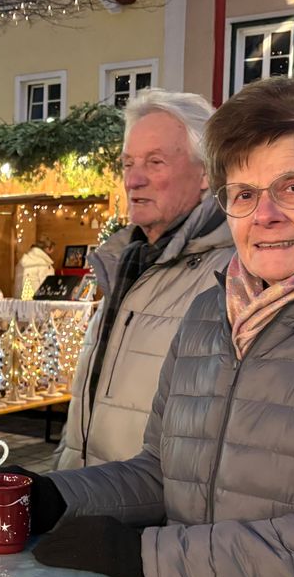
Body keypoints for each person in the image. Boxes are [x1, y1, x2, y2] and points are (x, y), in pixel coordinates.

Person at [23, 76, 294, 577]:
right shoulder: (208, 316)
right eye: (246, 195)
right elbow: (161, 473)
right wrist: (58, 497)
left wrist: (145, 559)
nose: (266, 215)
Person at [52, 89, 234, 470]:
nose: (133, 180)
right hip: (88, 504)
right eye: (128, 163)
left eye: (155, 162)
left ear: (205, 173)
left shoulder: (228, 274)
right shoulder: (126, 263)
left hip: (148, 518)